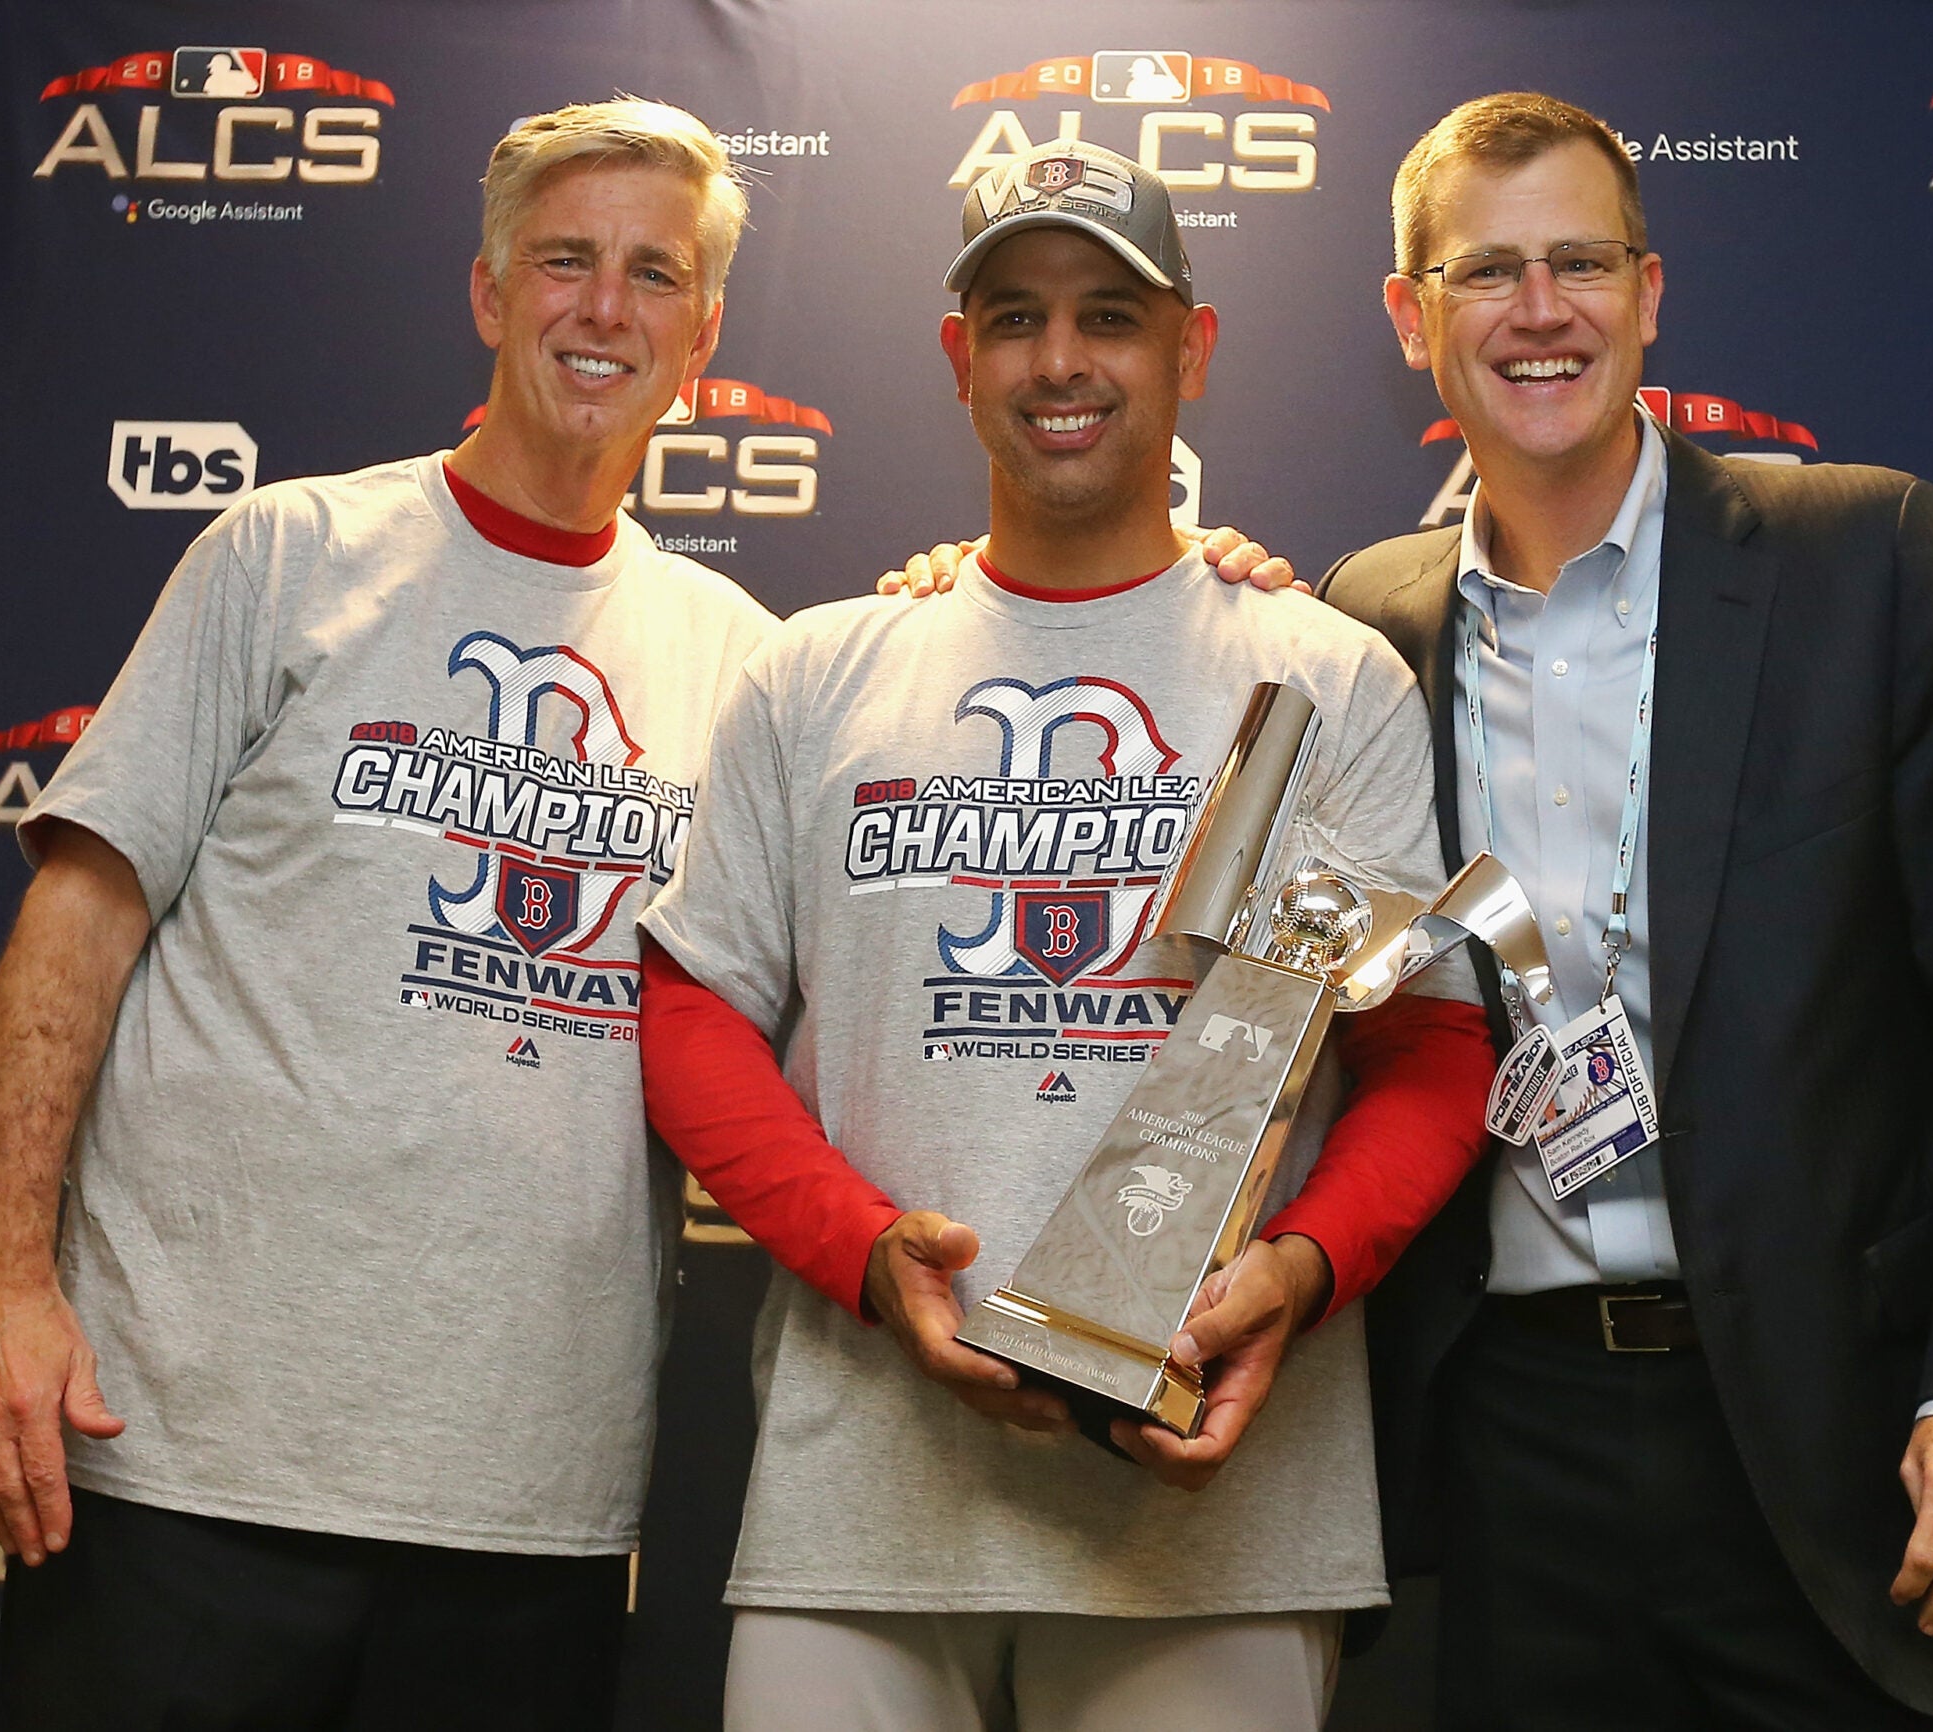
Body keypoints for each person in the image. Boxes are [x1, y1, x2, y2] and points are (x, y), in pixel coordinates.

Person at [0, 99, 778, 1727]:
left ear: (703, 328)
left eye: (652, 274)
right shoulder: (286, 552)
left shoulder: (744, 658)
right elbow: (74, 932)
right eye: (564, 263)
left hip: (525, 1501)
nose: (604, 309)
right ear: (486, 292)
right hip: (174, 1456)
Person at [636, 139, 1495, 1730]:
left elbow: (1431, 1054)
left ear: (1193, 349)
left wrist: (1299, 1276)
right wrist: (866, 1253)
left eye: (1111, 314)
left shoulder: (1324, 676)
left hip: (1213, 1521)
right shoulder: (821, 668)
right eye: (1016, 316)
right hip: (863, 1520)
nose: (1062, 361)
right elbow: (692, 1016)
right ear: (961, 358)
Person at [1315, 93, 1933, 1730]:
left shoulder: (1864, 556)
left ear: (1651, 293)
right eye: (1486, 273)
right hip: (1501, 1444)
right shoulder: (1365, 619)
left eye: (1581, 263)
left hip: (1844, 1441)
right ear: (1413, 317)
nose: (1542, 313)